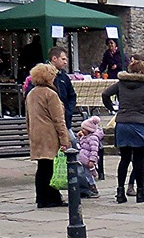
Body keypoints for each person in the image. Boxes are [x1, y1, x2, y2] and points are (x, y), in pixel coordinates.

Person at [102, 60, 144, 204]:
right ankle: (140, 193)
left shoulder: (121, 84)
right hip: (139, 124)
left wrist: (113, 108)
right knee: (138, 160)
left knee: (124, 159)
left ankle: (120, 192)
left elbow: (105, 94)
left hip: (122, 123)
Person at [25, 63, 70, 208]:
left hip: (36, 135)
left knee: (42, 167)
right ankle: (52, 198)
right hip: (49, 135)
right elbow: (58, 119)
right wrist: (64, 139)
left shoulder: (31, 94)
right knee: (50, 168)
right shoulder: (50, 94)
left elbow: (27, 118)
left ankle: (41, 198)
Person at [48, 46, 77, 140]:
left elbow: (72, 96)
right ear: (54, 58)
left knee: (72, 142)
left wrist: (68, 111)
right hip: (48, 122)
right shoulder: (42, 75)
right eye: (63, 59)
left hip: (64, 121)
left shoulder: (64, 77)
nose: (65, 62)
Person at [77, 115, 103, 198]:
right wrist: (79, 137)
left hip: (88, 160)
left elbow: (94, 150)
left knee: (89, 175)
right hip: (83, 159)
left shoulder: (93, 138)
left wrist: (92, 160)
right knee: (84, 174)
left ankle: (93, 188)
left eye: (83, 129)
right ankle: (86, 188)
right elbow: (80, 145)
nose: (82, 130)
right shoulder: (85, 137)